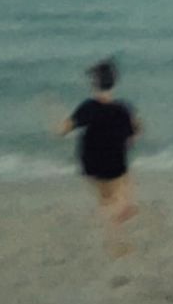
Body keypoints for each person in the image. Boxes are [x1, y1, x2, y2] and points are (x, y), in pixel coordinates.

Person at [57, 59, 142, 258]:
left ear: (94, 84)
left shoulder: (87, 107)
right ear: (114, 82)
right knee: (123, 181)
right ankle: (125, 206)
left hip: (92, 163)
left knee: (106, 202)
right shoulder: (123, 108)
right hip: (115, 163)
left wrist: (58, 126)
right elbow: (135, 133)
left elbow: (63, 130)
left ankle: (117, 238)